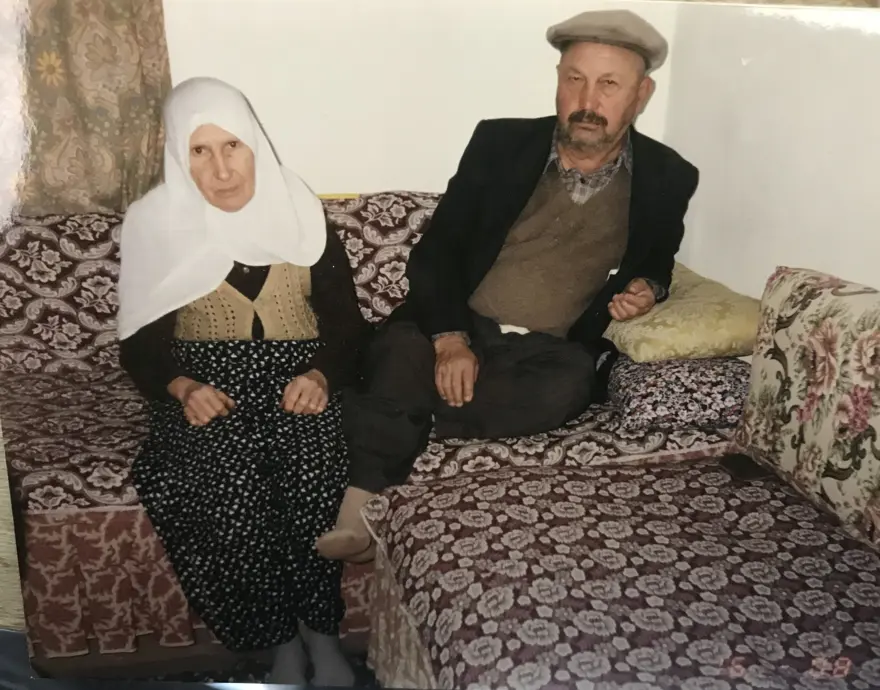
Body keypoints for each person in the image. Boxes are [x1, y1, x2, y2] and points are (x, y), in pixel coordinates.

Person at [315, 8, 700, 562]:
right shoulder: (499, 144)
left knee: (567, 389)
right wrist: (450, 340)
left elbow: (660, 255)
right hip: (458, 322)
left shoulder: (669, 176)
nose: (587, 100)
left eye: (609, 84)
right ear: (558, 81)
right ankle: (358, 514)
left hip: (545, 351)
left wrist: (647, 287)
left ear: (642, 94)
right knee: (401, 350)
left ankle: (397, 411)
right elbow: (438, 250)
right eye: (575, 79)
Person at [117, 77, 366, 686]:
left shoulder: (300, 210)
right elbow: (139, 343)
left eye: (233, 146)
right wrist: (181, 387)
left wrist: (321, 375)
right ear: (178, 155)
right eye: (200, 151)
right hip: (207, 388)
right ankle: (280, 643)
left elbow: (348, 327)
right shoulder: (153, 222)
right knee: (232, 493)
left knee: (313, 480)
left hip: (299, 379)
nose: (222, 169)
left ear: (255, 144)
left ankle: (322, 636)